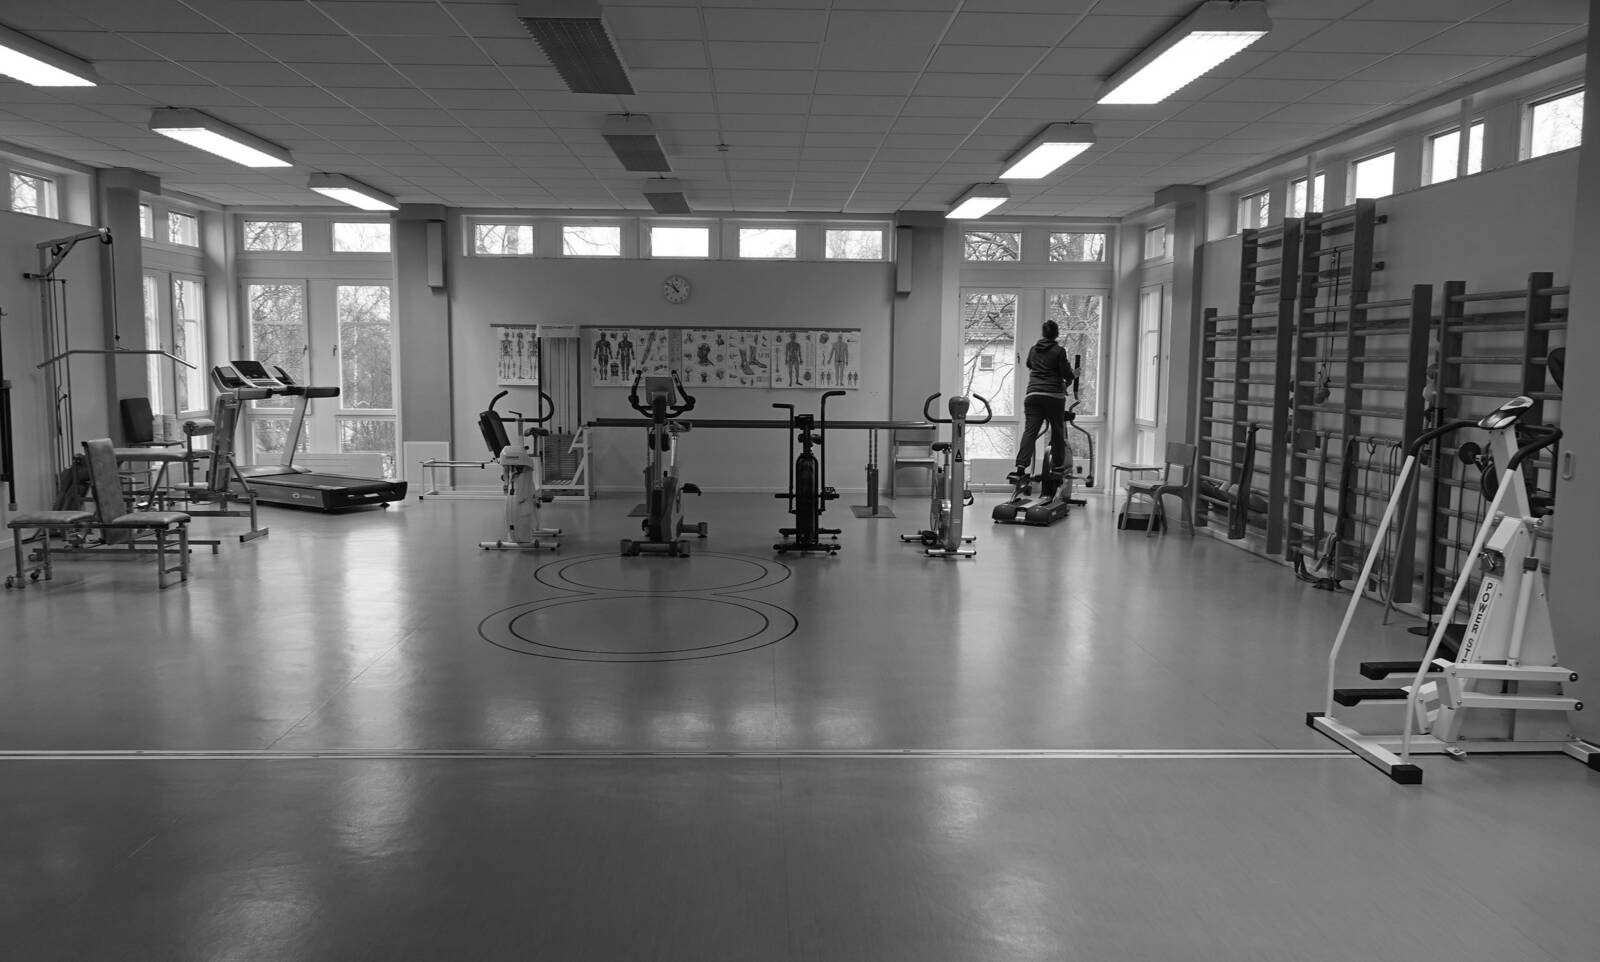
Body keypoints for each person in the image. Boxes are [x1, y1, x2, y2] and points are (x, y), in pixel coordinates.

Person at [1011, 320, 1075, 483]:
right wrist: (1073, 374)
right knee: (1057, 430)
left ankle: (1020, 468)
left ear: (1043, 333)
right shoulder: (1059, 351)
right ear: (1056, 334)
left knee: (1030, 431)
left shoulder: (1034, 349)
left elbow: (1029, 364)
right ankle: (1058, 467)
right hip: (1053, 396)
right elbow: (1067, 374)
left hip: (1033, 395)